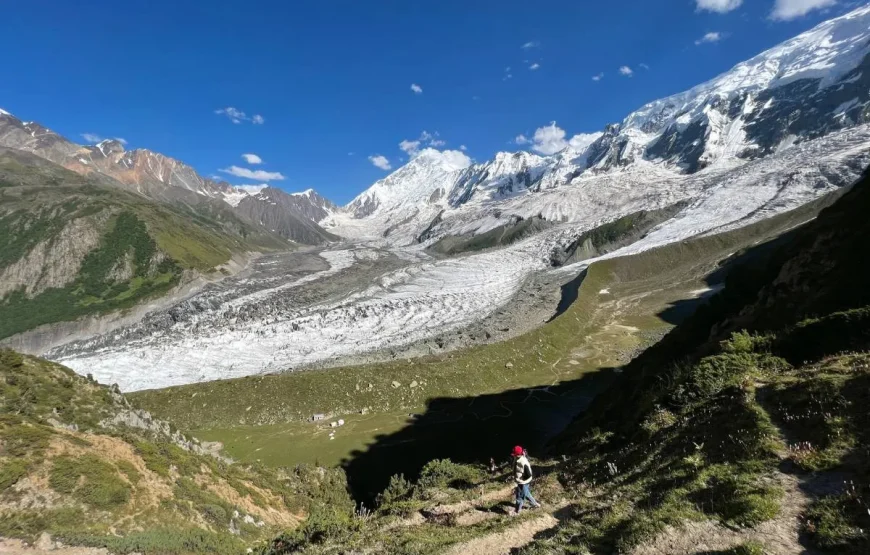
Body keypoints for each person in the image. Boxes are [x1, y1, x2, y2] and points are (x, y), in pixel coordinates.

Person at [511, 445, 541, 514]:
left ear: (517, 454)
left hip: (523, 482)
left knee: (519, 497)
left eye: (514, 454)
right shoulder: (518, 458)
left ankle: (517, 511)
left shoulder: (523, 462)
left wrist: (521, 479)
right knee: (526, 493)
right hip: (523, 482)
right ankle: (535, 504)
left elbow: (529, 474)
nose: (513, 455)